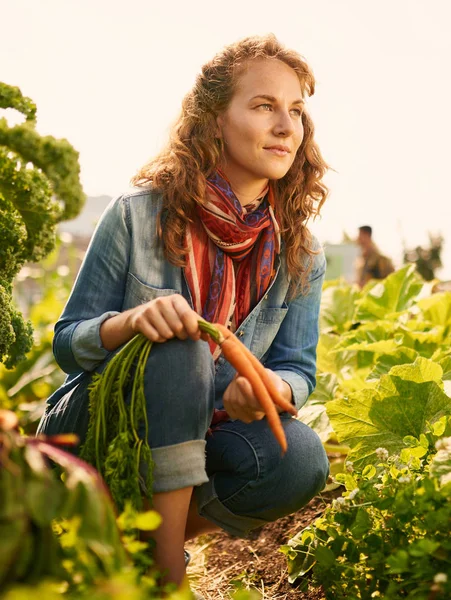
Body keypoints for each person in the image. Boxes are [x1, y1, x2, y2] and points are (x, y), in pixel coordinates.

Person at [37, 34, 330, 590]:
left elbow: (300, 367)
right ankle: (165, 578)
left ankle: (139, 541)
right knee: (182, 344)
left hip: (204, 437)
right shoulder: (136, 215)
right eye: (265, 106)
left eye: (295, 110)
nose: (287, 127)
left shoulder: (301, 253)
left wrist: (273, 388)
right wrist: (131, 324)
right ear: (214, 120)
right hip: (101, 429)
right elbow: (67, 341)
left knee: (301, 460)